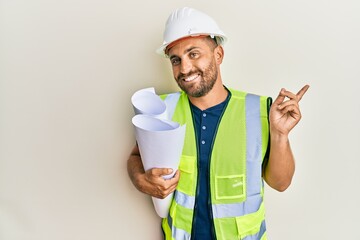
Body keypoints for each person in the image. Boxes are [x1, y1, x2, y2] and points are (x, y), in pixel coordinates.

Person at [127, 6, 309, 240]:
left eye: (193, 54)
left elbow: (280, 183)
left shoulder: (259, 110)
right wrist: (140, 179)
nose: (184, 68)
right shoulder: (161, 109)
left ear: (218, 55)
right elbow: (135, 157)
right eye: (176, 60)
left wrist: (280, 135)